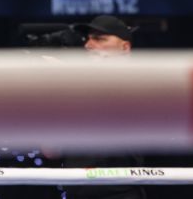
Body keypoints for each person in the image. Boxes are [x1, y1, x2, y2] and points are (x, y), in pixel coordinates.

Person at [56, 15, 145, 199]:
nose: (89, 45)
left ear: (125, 47)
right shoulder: (75, 89)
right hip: (76, 191)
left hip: (120, 192)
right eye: (88, 39)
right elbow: (51, 150)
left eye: (99, 39)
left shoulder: (137, 82)